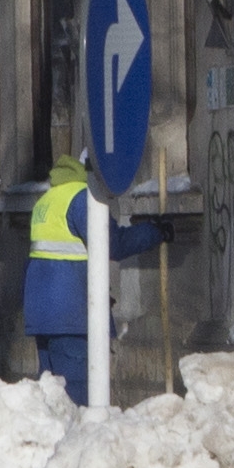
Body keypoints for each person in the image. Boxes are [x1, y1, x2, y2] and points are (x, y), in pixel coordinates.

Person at [24, 153, 170, 406]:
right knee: (77, 398)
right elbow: (111, 244)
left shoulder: (47, 199)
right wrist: (155, 231)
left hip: (43, 314)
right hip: (71, 318)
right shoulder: (82, 198)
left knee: (49, 399)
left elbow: (59, 257)